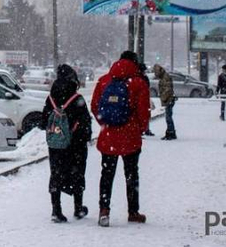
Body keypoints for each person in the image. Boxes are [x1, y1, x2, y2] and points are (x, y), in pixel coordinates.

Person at [91, 51, 151, 227]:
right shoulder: (138, 83)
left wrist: (104, 123)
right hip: (130, 137)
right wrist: (139, 128)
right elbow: (143, 111)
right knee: (131, 175)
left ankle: (104, 211)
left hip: (108, 137)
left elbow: (95, 105)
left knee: (106, 174)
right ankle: (133, 212)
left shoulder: (104, 80)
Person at [43, 64, 93, 222]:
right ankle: (78, 208)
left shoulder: (51, 98)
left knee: (56, 173)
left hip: (56, 144)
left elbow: (44, 119)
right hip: (75, 144)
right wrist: (84, 137)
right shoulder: (77, 99)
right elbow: (85, 122)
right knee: (77, 173)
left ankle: (56, 209)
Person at [151, 64, 177, 139]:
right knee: (168, 116)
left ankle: (170, 132)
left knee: (168, 117)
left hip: (169, 99)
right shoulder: (164, 77)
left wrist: (163, 98)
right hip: (169, 99)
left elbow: (167, 90)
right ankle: (170, 131)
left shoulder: (165, 78)